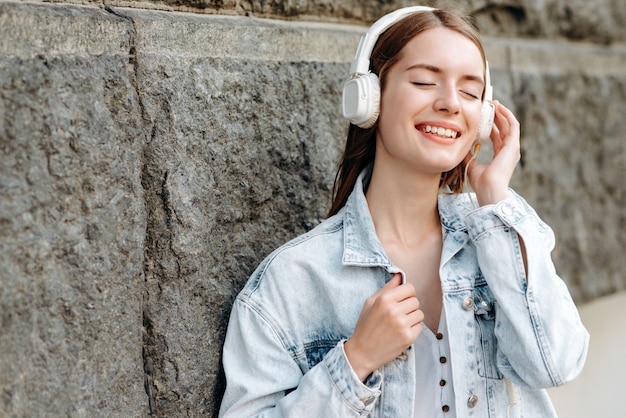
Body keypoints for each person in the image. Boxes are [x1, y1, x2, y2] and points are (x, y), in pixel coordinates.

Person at [219, 6, 589, 418]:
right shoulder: (292, 282)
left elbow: (556, 364)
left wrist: (495, 200)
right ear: (369, 98)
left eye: (470, 92)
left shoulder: (501, 234)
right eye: (424, 81)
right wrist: (355, 361)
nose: (450, 103)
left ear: (483, 118)